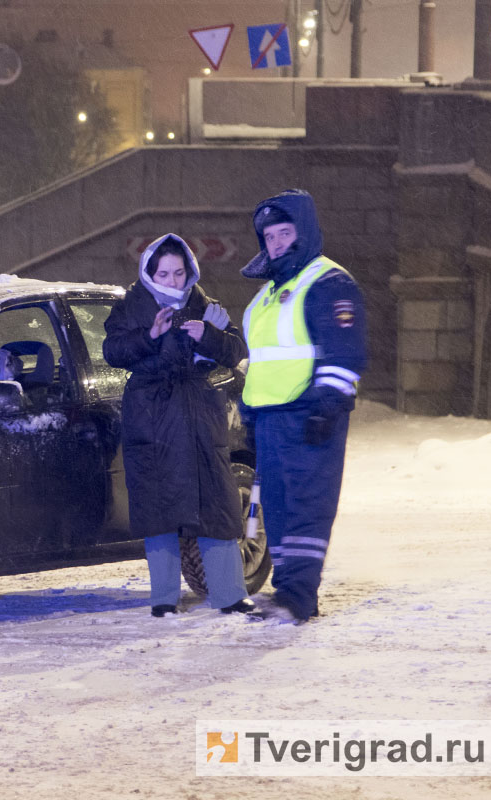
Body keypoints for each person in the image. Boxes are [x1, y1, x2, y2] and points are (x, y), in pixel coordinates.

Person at [103, 234, 259, 618]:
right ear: (148, 273)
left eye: (179, 272)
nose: (173, 281)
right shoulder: (131, 307)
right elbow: (113, 352)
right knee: (159, 511)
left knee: (217, 505)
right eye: (164, 273)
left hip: (198, 418)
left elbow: (236, 351)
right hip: (153, 418)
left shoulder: (202, 304)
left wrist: (211, 337)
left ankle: (229, 594)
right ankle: (164, 599)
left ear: (189, 270)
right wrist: (152, 336)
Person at [239, 189, 367, 624]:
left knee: (306, 507)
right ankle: (287, 593)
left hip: (310, 416)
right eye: (269, 236)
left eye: (284, 232)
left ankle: (298, 597)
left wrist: (326, 408)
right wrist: (251, 409)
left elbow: (344, 353)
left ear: (304, 232)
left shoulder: (328, 283)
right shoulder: (271, 293)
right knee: (277, 507)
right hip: (274, 419)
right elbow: (263, 359)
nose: (275, 243)